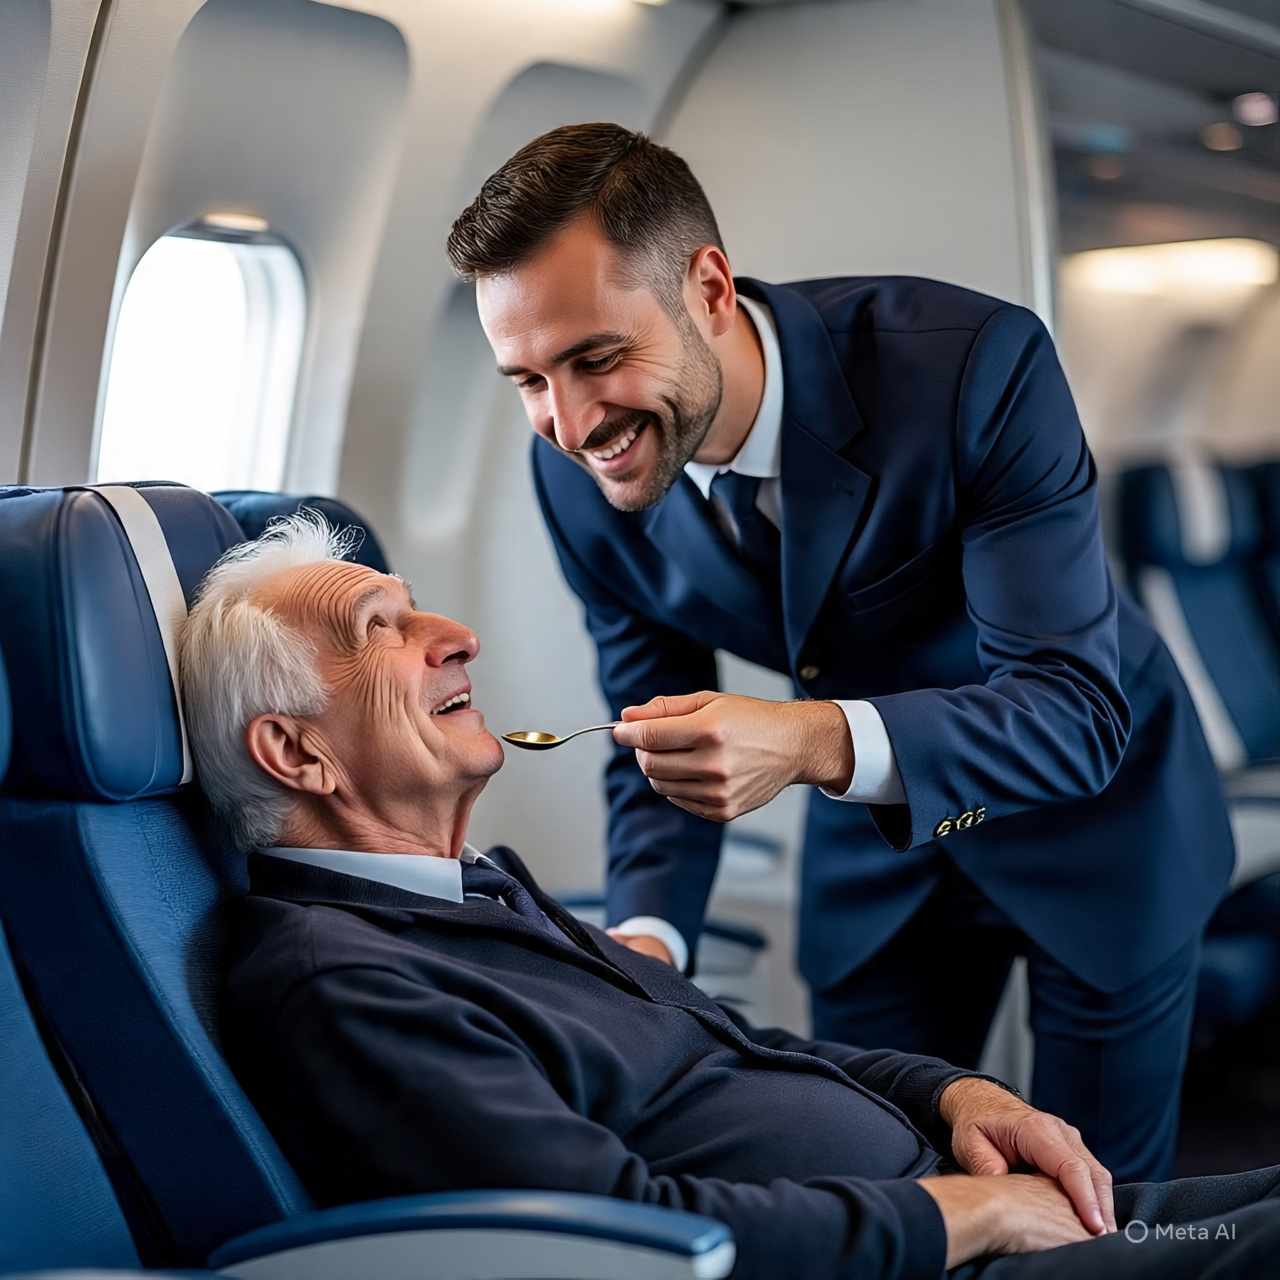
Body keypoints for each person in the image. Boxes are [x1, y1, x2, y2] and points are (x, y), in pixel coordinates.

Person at [178, 515, 1279, 1280]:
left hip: (944, 1203)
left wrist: (957, 1095)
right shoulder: (341, 978)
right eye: (382, 629)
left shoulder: (472, 890)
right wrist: (959, 1212)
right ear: (294, 751)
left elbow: (739, 1047)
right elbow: (620, 1235)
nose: (454, 635)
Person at [445, 122, 1235, 1181]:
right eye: (526, 379)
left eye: (595, 357)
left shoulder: (969, 368)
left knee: (1095, 1208)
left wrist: (807, 738)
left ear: (710, 290)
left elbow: (1072, 708)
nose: (570, 419)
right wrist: (644, 941)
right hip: (883, 847)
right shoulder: (576, 475)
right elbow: (645, 729)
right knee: (878, 1175)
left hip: (1093, 826)